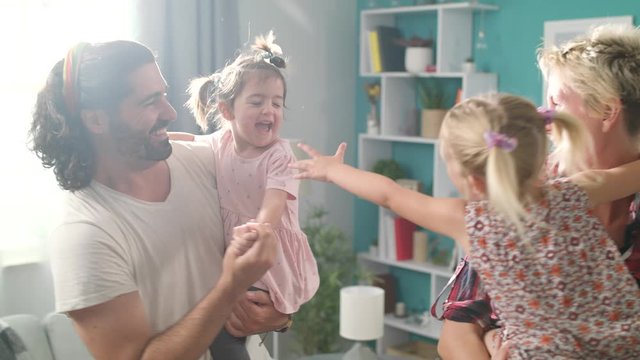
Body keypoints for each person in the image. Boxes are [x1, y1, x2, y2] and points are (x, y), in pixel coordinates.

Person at [290, 93, 640, 358]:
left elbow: (390, 195)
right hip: (625, 339)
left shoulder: (472, 222)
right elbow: (627, 175)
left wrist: (333, 170)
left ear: (470, 180)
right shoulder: (577, 191)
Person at [28, 40, 290, 360]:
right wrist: (230, 288)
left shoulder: (204, 161)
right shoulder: (82, 235)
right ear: (96, 120)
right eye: (151, 101)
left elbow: (282, 232)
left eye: (164, 95)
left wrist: (281, 315)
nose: (170, 112)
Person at [437, 24, 640, 359]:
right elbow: (456, 335)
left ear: (607, 111)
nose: (544, 119)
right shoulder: (524, 195)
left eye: (555, 101)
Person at [170, 31, 319, 359]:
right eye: (257, 101)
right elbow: (188, 141)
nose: (270, 111)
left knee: (229, 327)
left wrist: (257, 232)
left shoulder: (279, 154)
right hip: (241, 251)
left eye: (276, 103)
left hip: (266, 251)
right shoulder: (220, 142)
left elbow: (274, 204)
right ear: (227, 111)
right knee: (228, 325)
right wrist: (160, 138)